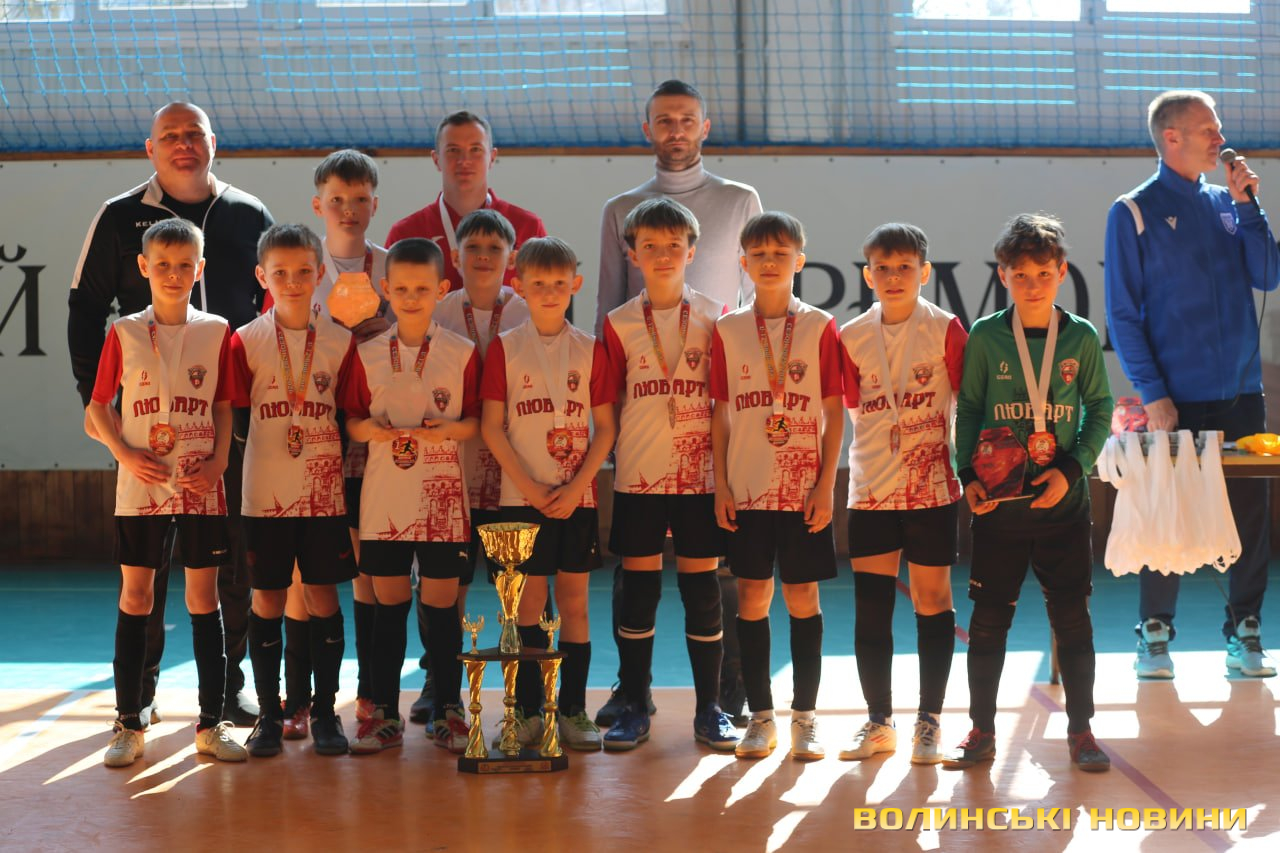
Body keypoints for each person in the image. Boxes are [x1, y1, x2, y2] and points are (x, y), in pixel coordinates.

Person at [69, 101, 272, 727]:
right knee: (147, 571)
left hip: (225, 422)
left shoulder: (248, 213)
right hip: (147, 428)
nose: (184, 143)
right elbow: (85, 311)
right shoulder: (118, 216)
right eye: (170, 135)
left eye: (194, 134)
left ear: (214, 142)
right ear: (150, 148)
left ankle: (229, 685)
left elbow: (271, 307)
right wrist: (99, 411)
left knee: (229, 563)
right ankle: (142, 691)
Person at [596, 78, 763, 727]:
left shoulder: (739, 200)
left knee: (710, 580)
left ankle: (721, 697)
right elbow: (608, 312)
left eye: (686, 119)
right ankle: (631, 694)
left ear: (704, 125)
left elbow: (754, 313)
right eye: (664, 119)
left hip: (705, 446)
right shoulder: (621, 210)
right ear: (648, 128)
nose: (675, 129)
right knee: (635, 581)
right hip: (641, 446)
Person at [1105, 89, 1280, 679]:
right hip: (1174, 400)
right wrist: (1153, 392)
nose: (1221, 139)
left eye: (1218, 128)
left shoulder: (1228, 203)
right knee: (1167, 514)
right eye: (1209, 129)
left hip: (1242, 393)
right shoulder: (1132, 211)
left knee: (1249, 515)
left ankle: (1246, 632)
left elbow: (1268, 275)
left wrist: (1249, 206)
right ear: (1172, 137)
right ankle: (1154, 635)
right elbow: (1123, 314)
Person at [947, 214, 1113, 772]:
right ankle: (981, 730)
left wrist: (1072, 468)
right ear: (1003, 276)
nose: (1033, 284)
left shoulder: (1080, 337)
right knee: (988, 623)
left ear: (1062, 272)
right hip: (1001, 508)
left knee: (1073, 621)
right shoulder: (987, 334)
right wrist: (967, 474)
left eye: (1043, 273)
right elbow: (970, 408)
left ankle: (1082, 731)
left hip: (1064, 505)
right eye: (1020, 275)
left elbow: (1100, 409)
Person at [87, 218, 246, 767]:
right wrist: (124, 453)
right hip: (142, 485)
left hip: (201, 484)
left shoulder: (218, 331)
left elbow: (223, 406)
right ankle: (128, 723)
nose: (173, 274)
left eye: (184, 265)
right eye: (162, 265)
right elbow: (98, 408)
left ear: (200, 269)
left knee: (204, 600)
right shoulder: (124, 332)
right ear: (143, 267)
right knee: (137, 598)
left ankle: (211, 722)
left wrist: (220, 461)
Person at [598, 198, 738, 752]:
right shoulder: (618, 323)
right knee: (640, 592)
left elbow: (724, 403)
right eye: (650, 246)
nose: (662, 255)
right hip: (639, 473)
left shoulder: (715, 315)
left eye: (673, 246)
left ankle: (710, 709)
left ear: (692, 252)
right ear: (632, 254)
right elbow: (610, 403)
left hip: (698, 477)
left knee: (702, 591)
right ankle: (635, 704)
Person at [710, 212, 844, 761]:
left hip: (802, 490)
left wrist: (826, 485)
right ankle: (761, 717)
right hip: (747, 490)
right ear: (743, 262)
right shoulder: (727, 330)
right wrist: (721, 484)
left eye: (780, 253)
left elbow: (834, 412)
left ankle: (805, 719)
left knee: (803, 598)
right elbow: (720, 414)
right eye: (759, 254)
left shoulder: (820, 326)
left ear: (799, 261)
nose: (770, 262)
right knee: (751, 597)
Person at [344, 237, 482, 755]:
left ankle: (448, 708)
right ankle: (383, 712)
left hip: (443, 501)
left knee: (442, 610)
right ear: (385, 289)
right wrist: (371, 431)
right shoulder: (367, 354)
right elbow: (352, 421)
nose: (410, 297)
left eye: (422, 289)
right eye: (400, 289)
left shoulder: (461, 352)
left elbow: (475, 423)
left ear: (442, 289)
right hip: (385, 500)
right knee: (389, 607)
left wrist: (448, 430)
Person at [480, 237, 618, 752]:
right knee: (527, 606)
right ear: (519, 286)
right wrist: (531, 487)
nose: (550, 291)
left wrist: (578, 486)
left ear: (575, 285)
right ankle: (529, 712)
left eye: (560, 283)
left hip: (575, 500)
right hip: (522, 500)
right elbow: (492, 427)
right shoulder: (506, 348)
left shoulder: (590, 348)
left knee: (575, 606)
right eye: (538, 283)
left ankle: (573, 710)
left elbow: (605, 428)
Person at [837, 223, 966, 765]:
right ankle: (878, 722)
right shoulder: (850, 336)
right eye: (883, 269)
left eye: (905, 267)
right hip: (871, 488)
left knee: (933, 601)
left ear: (924, 272)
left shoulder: (946, 329)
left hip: (932, 488)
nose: (894, 277)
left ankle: (929, 720)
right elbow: (852, 410)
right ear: (868, 275)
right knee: (872, 608)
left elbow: (964, 402)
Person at [228, 224, 358, 758]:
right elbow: (238, 420)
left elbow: (349, 417)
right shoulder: (245, 341)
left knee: (323, 597)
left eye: (304, 271)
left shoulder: (340, 341)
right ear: (263, 276)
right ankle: (270, 714)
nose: (293, 281)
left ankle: (325, 712)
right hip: (264, 494)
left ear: (320, 272)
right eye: (280, 273)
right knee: (267, 599)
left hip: (323, 495)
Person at [278, 149, 394, 739]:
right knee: (305, 575)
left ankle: (371, 694)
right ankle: (298, 700)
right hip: (312, 446)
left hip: (377, 445)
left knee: (370, 571)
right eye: (337, 199)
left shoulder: (393, 268)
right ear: (317, 204)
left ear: (375, 204)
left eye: (360, 198)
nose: (348, 209)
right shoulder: (299, 266)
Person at [412, 209, 531, 724]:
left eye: (494, 248)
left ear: (511, 258)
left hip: (510, 475)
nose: (483, 257)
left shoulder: (527, 310)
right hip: (451, 472)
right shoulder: (437, 311)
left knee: (517, 590)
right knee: (444, 587)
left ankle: (524, 697)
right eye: (473, 248)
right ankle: (439, 684)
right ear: (455, 257)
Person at [384, 111, 546, 293]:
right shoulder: (405, 234)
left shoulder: (528, 228)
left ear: (492, 158)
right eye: (453, 150)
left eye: (475, 149)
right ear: (436, 160)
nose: (464, 160)